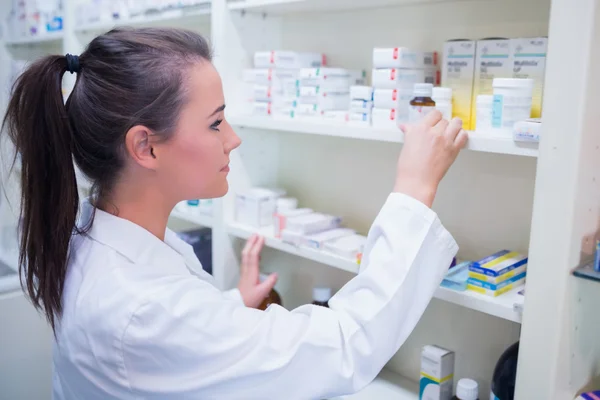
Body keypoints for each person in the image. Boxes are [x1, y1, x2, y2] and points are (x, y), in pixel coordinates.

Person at [2, 27, 467, 400]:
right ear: (145, 146)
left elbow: (171, 343)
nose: (233, 138)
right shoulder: (141, 308)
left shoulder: (94, 233)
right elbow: (344, 344)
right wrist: (415, 186)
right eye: (215, 122)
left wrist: (231, 305)